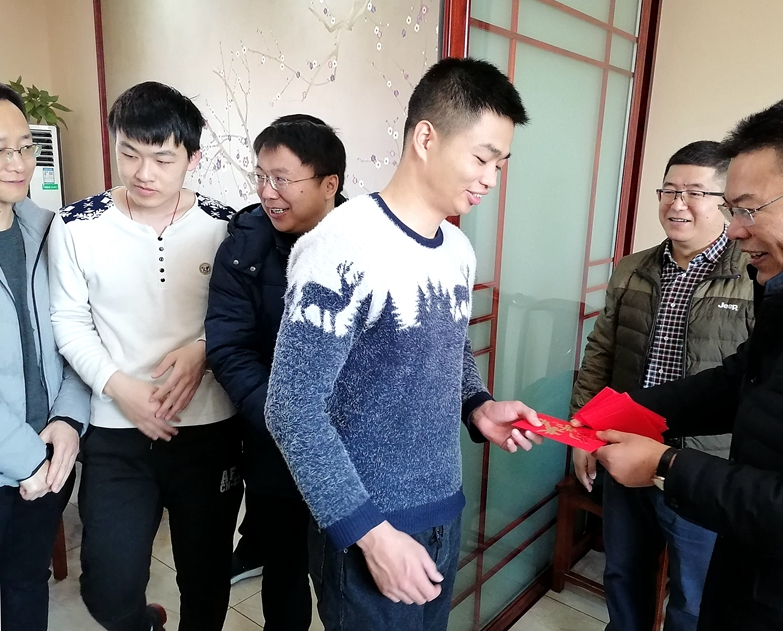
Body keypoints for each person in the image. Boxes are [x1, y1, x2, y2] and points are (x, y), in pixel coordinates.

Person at [595, 98, 783, 631]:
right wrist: (619, 411)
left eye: (749, 209)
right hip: (753, 565)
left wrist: (667, 466)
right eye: (732, 210)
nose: (734, 230)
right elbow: (744, 380)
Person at [265, 57, 541, 631]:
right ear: (426, 138)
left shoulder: (456, 250)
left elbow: (450, 350)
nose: (491, 178)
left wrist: (477, 405)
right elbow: (291, 408)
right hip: (369, 524)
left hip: (442, 508)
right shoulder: (342, 246)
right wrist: (370, 534)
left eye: (500, 164)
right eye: (482, 158)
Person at [48, 81, 241, 631]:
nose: (143, 173)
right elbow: (68, 319)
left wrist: (203, 350)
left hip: (208, 427)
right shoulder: (76, 225)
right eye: (129, 154)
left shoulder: (227, 226)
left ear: (193, 159)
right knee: (107, 587)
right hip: (116, 430)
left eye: (162, 159)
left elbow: (244, 317)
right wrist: (118, 386)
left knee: (205, 575)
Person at [570, 140, 754, 631]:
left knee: (694, 595)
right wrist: (581, 433)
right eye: (669, 190)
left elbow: (757, 382)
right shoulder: (633, 268)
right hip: (625, 447)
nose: (677, 203)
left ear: (725, 202)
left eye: (695, 192)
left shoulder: (752, 277)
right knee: (623, 574)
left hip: (701, 466)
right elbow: (600, 353)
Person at [206, 114, 347, 630]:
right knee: (284, 572)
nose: (267, 192)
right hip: (273, 442)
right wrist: (285, 421)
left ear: (329, 184)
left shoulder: (368, 246)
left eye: (282, 179)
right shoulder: (243, 248)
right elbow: (230, 347)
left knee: (344, 577)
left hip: (349, 447)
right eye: (261, 177)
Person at [0, 83, 91, 631]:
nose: (16, 163)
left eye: (24, 147)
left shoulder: (46, 230)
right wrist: (28, 458)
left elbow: (72, 335)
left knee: (27, 584)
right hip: (24, 460)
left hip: (49, 458)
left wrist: (69, 420)